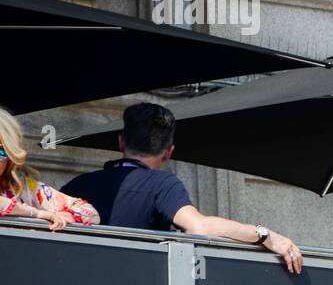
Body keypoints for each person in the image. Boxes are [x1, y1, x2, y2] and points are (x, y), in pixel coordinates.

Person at [62, 103, 304, 273]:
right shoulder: (162, 185)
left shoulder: (78, 185)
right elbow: (200, 227)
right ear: (169, 152)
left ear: (121, 142)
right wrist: (265, 235)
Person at [0, 108, 99, 230]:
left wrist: (65, 216)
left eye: (1, 151)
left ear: (11, 155)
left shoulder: (23, 187)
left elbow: (91, 214)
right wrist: (39, 214)